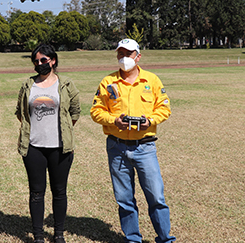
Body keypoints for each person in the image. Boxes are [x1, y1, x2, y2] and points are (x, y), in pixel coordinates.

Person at [90, 39, 176, 243]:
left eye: (128, 54)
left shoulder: (152, 81)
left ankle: (165, 239)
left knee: (156, 197)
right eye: (120, 54)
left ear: (138, 56)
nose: (124, 58)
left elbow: (164, 108)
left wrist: (151, 120)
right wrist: (114, 120)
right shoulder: (107, 82)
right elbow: (96, 111)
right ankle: (132, 239)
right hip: (116, 147)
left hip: (145, 147)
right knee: (124, 199)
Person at [15, 44, 81, 243]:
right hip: (34, 147)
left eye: (44, 60)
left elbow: (75, 112)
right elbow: (21, 113)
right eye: (36, 61)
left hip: (60, 148)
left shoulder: (66, 84)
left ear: (53, 60)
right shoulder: (28, 85)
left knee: (59, 191)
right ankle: (38, 236)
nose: (40, 64)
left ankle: (59, 234)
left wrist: (61, 131)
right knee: (36, 192)